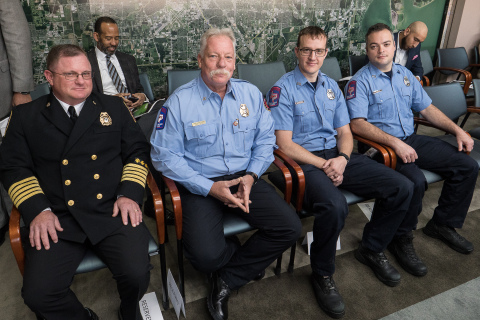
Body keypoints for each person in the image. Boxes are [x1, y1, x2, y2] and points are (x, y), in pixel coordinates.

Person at [150, 28, 301, 320]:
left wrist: (252, 176)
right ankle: (231, 255)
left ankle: (227, 280)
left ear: (235, 62)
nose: (221, 63)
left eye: (227, 57)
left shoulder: (250, 94)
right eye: (213, 56)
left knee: (290, 228)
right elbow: (163, 156)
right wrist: (208, 187)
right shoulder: (179, 102)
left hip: (245, 179)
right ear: (200, 60)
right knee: (205, 257)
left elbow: (265, 139)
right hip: (201, 186)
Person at [266, 26, 416, 319]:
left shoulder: (332, 87)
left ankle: (372, 248)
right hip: (304, 162)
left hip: (338, 156)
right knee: (334, 206)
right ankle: (322, 274)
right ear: (297, 52)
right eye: (307, 50)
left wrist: (344, 159)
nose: (313, 56)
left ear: (325, 53)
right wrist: (325, 165)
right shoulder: (281, 89)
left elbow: (345, 133)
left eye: (319, 50)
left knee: (402, 186)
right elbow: (283, 144)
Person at [0, 44, 152, 320]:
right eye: (71, 74)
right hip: (58, 217)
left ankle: (129, 310)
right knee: (38, 295)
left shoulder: (113, 107)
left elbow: (137, 151)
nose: (82, 81)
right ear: (49, 77)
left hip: (111, 208)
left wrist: (129, 193)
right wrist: (38, 211)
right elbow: (13, 167)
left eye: (86, 73)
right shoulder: (26, 116)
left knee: (138, 273)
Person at [346, 23, 478, 262]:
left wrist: (458, 130)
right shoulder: (359, 82)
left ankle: (442, 224)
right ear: (367, 50)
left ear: (394, 45)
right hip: (380, 148)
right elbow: (357, 124)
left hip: (411, 138)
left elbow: (426, 109)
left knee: (466, 165)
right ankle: (402, 237)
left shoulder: (405, 75)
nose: (381, 50)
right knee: (414, 181)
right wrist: (395, 144)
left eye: (386, 44)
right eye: (374, 46)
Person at [0, 0, 35, 246]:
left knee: (10, 155)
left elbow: (16, 32)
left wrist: (21, 88)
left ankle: (18, 220)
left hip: (2, 94)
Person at [88, 16, 146, 110]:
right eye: (108, 38)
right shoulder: (86, 62)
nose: (114, 43)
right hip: (106, 111)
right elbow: (85, 98)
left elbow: (138, 88)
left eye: (117, 38)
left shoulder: (128, 60)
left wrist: (142, 96)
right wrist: (112, 100)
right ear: (96, 36)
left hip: (134, 110)